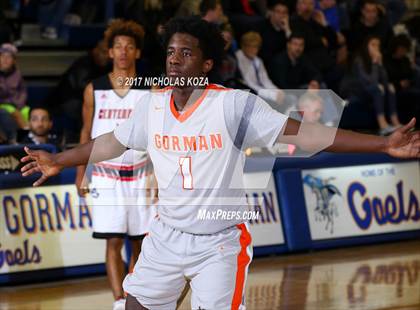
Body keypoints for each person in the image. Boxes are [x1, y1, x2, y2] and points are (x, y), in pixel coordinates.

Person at [20, 17, 420, 310]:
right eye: (171, 52)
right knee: (135, 307)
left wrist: (383, 145)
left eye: (186, 53)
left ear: (206, 64)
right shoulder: (153, 104)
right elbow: (111, 142)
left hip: (219, 242)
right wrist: (59, 158)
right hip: (166, 236)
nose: (174, 60)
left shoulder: (232, 104)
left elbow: (310, 134)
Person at [75, 20, 155, 310]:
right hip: (106, 178)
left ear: (136, 53)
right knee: (112, 242)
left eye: (129, 47)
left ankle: (133, 297)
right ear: (109, 52)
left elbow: (159, 135)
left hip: (141, 176)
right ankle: (119, 302)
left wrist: (158, 174)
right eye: (118, 47)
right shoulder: (93, 89)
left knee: (139, 244)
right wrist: (81, 173)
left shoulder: (151, 89)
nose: (123, 52)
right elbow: (85, 133)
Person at [46, 39, 110, 143]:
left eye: (109, 53)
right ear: (95, 50)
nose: (107, 56)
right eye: (104, 52)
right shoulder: (84, 63)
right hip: (64, 102)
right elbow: (83, 87)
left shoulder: (109, 67)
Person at [353, 36, 402, 135]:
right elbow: (369, 81)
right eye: (373, 45)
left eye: (378, 45)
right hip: (359, 90)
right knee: (377, 88)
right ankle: (383, 126)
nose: (376, 48)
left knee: (390, 87)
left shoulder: (377, 59)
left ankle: (395, 121)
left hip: (373, 88)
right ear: (366, 46)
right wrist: (375, 63)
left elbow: (385, 80)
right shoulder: (359, 60)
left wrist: (380, 64)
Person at [236, 31, 285, 107]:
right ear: (243, 46)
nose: (254, 50)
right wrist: (272, 95)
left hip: (262, 93)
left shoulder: (258, 60)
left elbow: (265, 81)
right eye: (250, 46)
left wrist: (277, 91)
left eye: (256, 47)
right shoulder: (239, 57)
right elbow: (249, 84)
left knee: (287, 97)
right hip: (250, 94)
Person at [0, 43, 28, 129]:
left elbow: (23, 91)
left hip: (17, 104)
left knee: (27, 111)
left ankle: (25, 134)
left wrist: (19, 104)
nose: (5, 59)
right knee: (14, 112)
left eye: (9, 57)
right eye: (3, 56)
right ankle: (26, 134)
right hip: (2, 104)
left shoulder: (17, 74)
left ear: (14, 60)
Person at [258, 0, 291, 65]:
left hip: (284, 63)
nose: (281, 15)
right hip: (267, 63)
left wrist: (287, 30)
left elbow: (294, 49)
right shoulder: (261, 26)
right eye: (278, 12)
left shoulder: (288, 27)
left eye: (284, 12)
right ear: (271, 13)